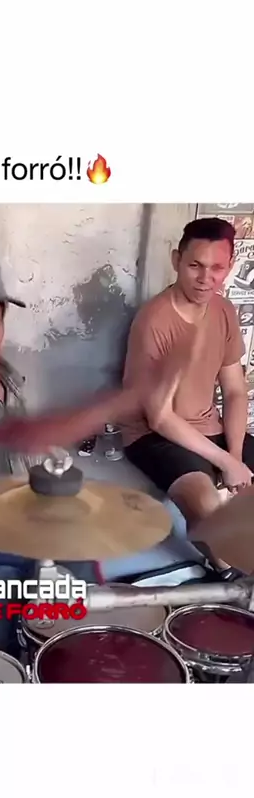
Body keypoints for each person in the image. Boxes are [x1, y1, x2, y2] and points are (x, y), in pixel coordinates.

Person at [0, 239, 136, 656]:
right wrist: (126, 398)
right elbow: (24, 433)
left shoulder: (3, 370)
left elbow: (24, 452)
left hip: (29, 520)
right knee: (0, 652)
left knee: (85, 615)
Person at [119, 217, 254, 572]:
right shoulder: (154, 320)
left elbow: (235, 390)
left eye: (217, 268)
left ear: (230, 267)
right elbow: (159, 417)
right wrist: (226, 463)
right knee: (208, 507)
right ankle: (230, 575)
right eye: (195, 265)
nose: (205, 278)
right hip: (153, 435)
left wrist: (234, 456)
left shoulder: (223, 311)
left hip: (208, 428)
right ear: (176, 260)